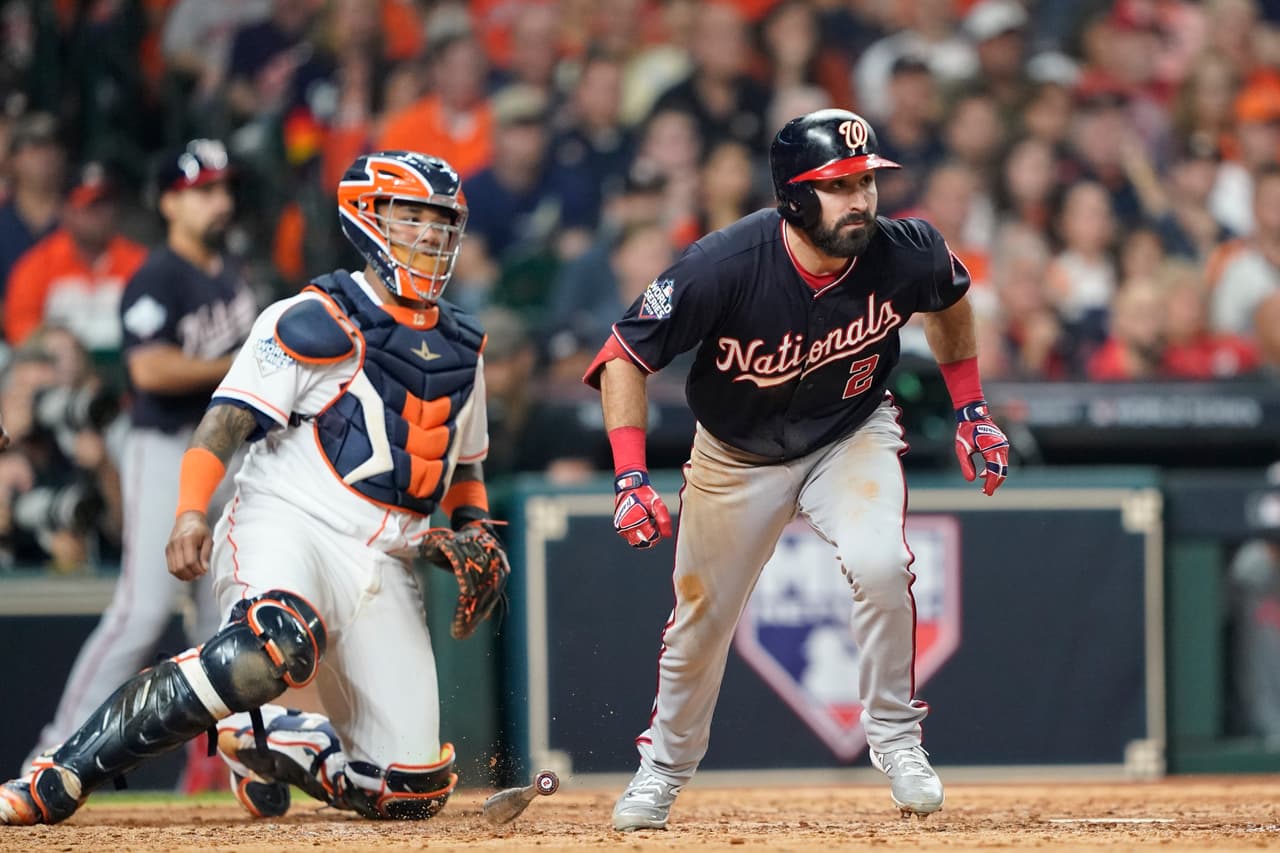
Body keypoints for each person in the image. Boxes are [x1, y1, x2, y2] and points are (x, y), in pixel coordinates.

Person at [0, 149, 509, 826]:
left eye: (439, 221)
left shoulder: (464, 346)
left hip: (387, 558)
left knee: (411, 789)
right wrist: (188, 514)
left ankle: (273, 739)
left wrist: (475, 532)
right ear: (367, 216)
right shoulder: (315, 315)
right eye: (410, 215)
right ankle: (59, 771)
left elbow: (464, 466)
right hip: (290, 518)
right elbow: (223, 423)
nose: (427, 234)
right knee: (265, 647)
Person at [583, 109, 1011, 831]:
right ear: (793, 198)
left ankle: (899, 741)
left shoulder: (903, 249)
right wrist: (630, 477)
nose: (861, 200)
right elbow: (624, 355)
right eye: (838, 186)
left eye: (866, 182)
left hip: (849, 435)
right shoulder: (722, 265)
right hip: (735, 454)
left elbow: (947, 294)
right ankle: (661, 769)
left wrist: (971, 408)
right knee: (699, 622)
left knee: (882, 565)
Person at [19, 139, 257, 786]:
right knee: (143, 609)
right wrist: (241, 367)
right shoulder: (158, 275)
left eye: (223, 188)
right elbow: (149, 368)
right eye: (204, 190)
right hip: (166, 447)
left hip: (227, 455)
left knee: (226, 618)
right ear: (169, 201)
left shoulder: (229, 272)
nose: (220, 201)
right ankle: (52, 751)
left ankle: (225, 764)